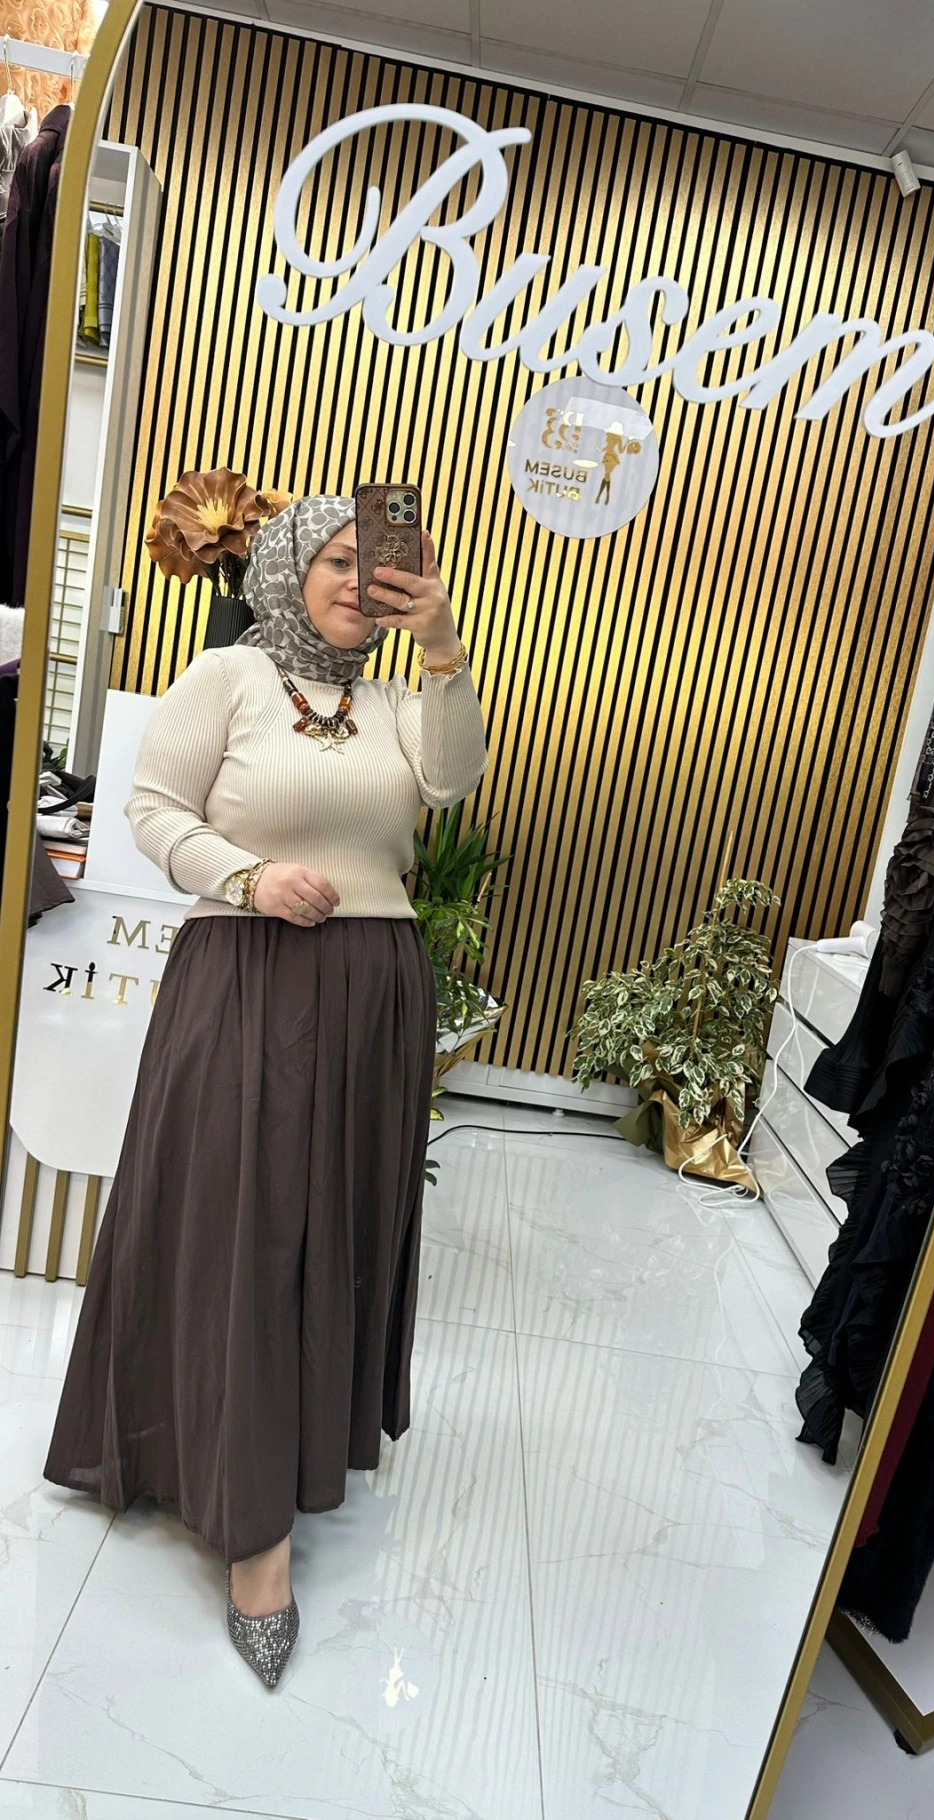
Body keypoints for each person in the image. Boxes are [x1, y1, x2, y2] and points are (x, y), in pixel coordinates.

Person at [42, 495, 489, 1688]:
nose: (357, 582)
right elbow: (151, 811)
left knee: (332, 1228)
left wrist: (443, 648)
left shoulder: (396, 703)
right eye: (337, 559)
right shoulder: (227, 676)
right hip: (245, 975)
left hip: (374, 991)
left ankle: (292, 1444)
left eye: (379, 567)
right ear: (290, 565)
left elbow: (449, 784)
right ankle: (253, 1536)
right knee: (244, 1228)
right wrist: (247, 876)